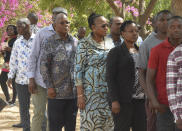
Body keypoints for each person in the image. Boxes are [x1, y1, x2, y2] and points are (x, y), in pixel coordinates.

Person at [27, 7, 67, 131]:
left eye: (60, 15)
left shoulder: (69, 37)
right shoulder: (42, 33)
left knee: (54, 116)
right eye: (54, 15)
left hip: (59, 84)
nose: (55, 17)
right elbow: (33, 56)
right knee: (38, 114)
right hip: (40, 81)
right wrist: (31, 79)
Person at [74, 13, 114, 130]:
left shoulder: (110, 43)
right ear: (93, 27)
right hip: (90, 94)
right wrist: (80, 95)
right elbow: (78, 70)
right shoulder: (84, 44)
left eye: (107, 25)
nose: (106, 28)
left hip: (108, 94)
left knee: (108, 125)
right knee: (91, 125)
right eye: (103, 26)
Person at [40, 13, 78, 131]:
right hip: (56, 93)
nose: (66, 25)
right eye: (62, 23)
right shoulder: (49, 42)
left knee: (71, 126)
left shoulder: (75, 41)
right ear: (55, 25)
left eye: (67, 22)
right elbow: (44, 66)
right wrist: (50, 87)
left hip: (73, 94)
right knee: (55, 127)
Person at [106, 20, 146, 131]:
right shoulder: (115, 52)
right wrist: (114, 100)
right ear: (123, 33)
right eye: (131, 31)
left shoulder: (140, 51)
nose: (134, 33)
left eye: (136, 31)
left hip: (140, 100)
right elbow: (110, 77)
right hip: (123, 101)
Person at [136, 10, 172, 131]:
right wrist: (151, 98)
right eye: (162, 20)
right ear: (155, 23)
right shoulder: (147, 44)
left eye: (168, 20)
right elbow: (141, 73)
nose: (165, 22)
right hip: (156, 98)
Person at [146, 16, 182, 131]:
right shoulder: (157, 50)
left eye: (180, 27)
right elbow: (149, 79)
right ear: (167, 29)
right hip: (164, 106)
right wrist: (154, 102)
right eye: (172, 27)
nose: (176, 30)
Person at [7, 18, 34, 131]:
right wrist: (10, 77)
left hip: (36, 81)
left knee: (40, 109)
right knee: (23, 108)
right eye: (17, 27)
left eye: (19, 26)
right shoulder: (18, 42)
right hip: (21, 81)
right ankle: (26, 128)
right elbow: (13, 61)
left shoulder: (37, 40)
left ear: (27, 25)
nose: (17, 29)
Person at [0, 25, 18, 105]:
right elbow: (4, 51)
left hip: (13, 63)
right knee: (2, 80)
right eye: (8, 30)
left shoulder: (17, 39)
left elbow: (18, 51)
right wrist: (3, 52)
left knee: (13, 82)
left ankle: (13, 100)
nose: (9, 31)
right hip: (6, 63)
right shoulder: (6, 39)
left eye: (11, 30)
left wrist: (10, 49)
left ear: (15, 30)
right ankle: (8, 98)